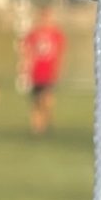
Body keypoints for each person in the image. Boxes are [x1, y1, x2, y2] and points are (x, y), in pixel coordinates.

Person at [21, 8, 68, 137]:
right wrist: (25, 69)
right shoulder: (33, 34)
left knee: (47, 99)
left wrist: (60, 69)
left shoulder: (57, 34)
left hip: (50, 73)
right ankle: (37, 127)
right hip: (36, 73)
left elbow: (60, 54)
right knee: (36, 101)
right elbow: (26, 52)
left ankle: (46, 120)